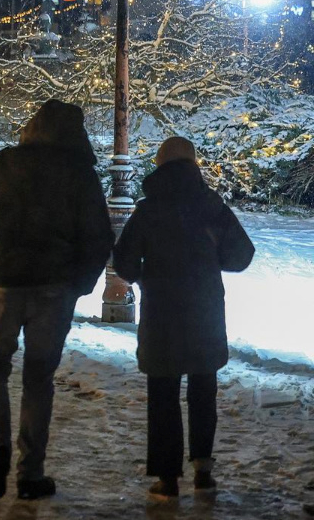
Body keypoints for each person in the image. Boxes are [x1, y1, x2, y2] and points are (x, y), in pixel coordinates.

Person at [0, 100, 113, 501]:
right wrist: (79, 283)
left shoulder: (1, 163)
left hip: (1, 284)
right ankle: (30, 473)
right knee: (39, 378)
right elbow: (98, 236)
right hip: (53, 288)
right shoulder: (80, 174)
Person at [112, 137, 254, 501]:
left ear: (159, 166)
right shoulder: (211, 206)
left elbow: (124, 264)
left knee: (162, 392)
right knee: (203, 388)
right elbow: (241, 255)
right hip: (205, 309)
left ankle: (167, 478)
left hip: (161, 312)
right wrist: (208, 262)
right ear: (193, 166)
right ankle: (203, 471)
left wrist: (147, 276)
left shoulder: (148, 210)